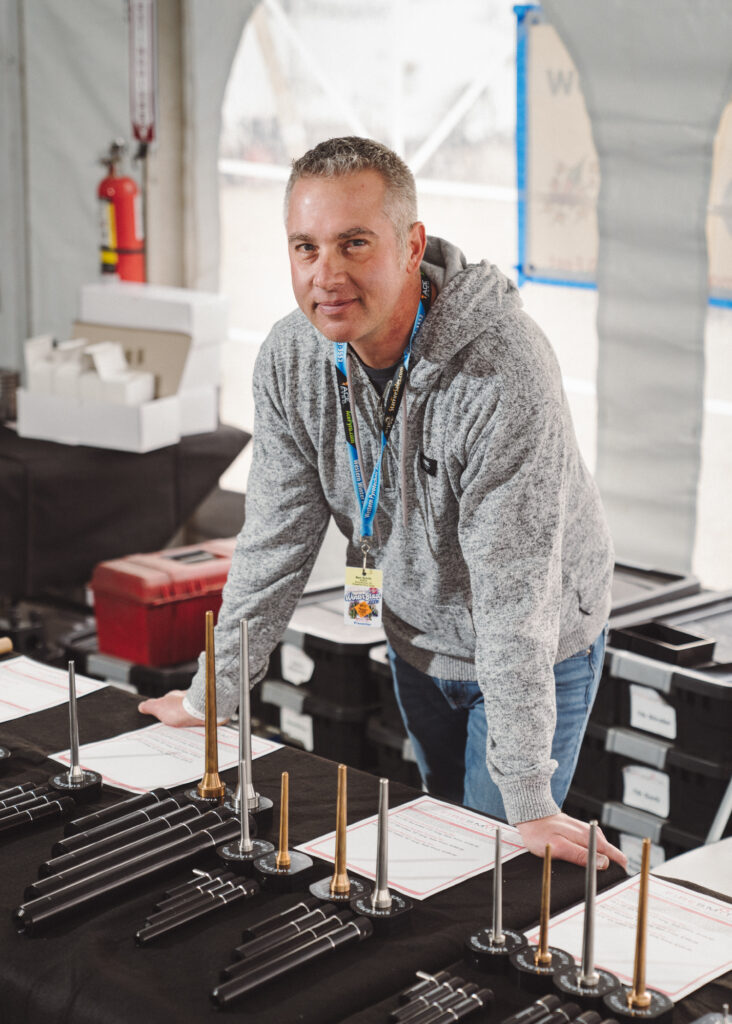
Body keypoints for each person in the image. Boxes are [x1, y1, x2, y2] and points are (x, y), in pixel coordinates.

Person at [139, 136, 625, 871]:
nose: (325, 277)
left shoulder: (501, 370)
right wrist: (214, 697)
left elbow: (515, 594)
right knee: (447, 833)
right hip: (414, 636)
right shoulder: (293, 358)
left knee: (499, 860)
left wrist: (528, 794)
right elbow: (273, 543)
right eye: (305, 247)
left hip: (534, 645)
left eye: (354, 244)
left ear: (410, 245)